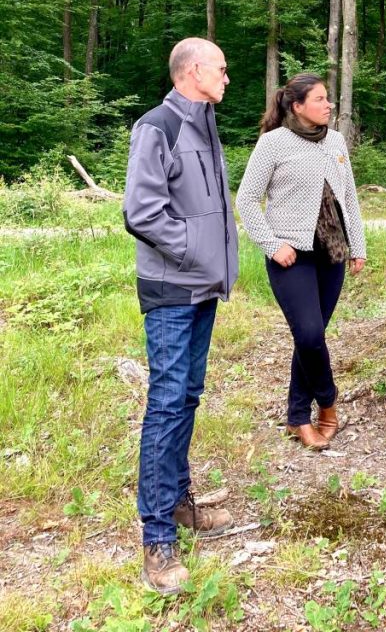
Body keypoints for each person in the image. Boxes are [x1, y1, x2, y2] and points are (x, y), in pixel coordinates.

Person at [123, 37, 239, 594]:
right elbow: (142, 212)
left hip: (202, 291)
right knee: (167, 402)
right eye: (220, 69)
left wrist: (214, 265)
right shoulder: (158, 127)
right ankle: (156, 536)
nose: (226, 77)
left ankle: (179, 501)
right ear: (193, 72)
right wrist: (198, 254)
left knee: (187, 396)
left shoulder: (205, 125)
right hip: (172, 289)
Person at [236, 73, 366, 451]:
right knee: (308, 334)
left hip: (332, 254)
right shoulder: (273, 143)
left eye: (328, 99)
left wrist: (357, 246)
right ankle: (327, 402)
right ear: (297, 106)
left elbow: (350, 198)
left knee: (311, 339)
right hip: (290, 257)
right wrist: (272, 244)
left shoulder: (336, 141)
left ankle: (296, 417)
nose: (329, 105)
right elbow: (246, 200)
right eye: (321, 99)